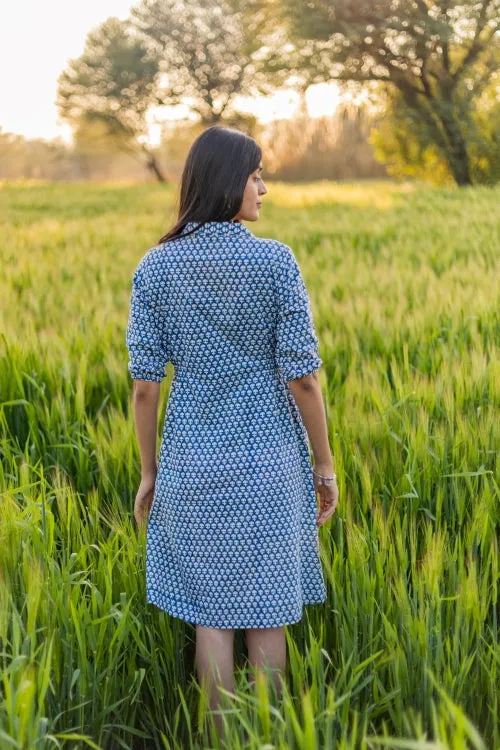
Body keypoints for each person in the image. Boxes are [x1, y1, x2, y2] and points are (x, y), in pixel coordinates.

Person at [125, 125, 339, 737]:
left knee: (210, 618)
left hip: (192, 468)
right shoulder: (274, 262)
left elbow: (145, 385)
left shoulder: (157, 266)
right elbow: (305, 378)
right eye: (255, 175)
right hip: (270, 462)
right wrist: (324, 464)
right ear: (226, 182)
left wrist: (149, 473)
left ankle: (217, 739)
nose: (264, 187)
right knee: (268, 616)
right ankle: (268, 737)